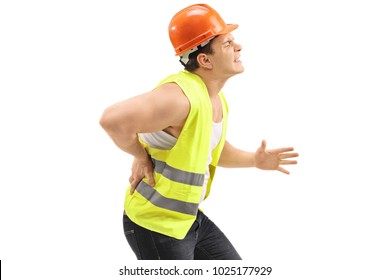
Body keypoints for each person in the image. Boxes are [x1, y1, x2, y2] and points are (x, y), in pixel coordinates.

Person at [99, 3, 298, 260]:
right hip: (156, 225)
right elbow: (111, 120)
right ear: (204, 60)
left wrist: (254, 160)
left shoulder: (213, 98)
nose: (238, 47)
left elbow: (210, 148)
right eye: (227, 44)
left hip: (187, 219)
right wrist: (140, 155)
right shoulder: (180, 97)